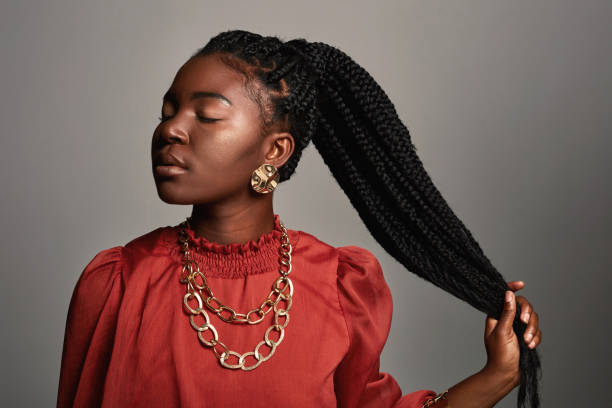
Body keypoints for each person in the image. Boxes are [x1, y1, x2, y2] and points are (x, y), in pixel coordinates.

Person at [57, 30, 542, 408]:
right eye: (167, 112)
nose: (171, 130)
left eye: (206, 115)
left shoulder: (338, 285)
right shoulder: (119, 283)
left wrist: (499, 375)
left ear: (275, 150)